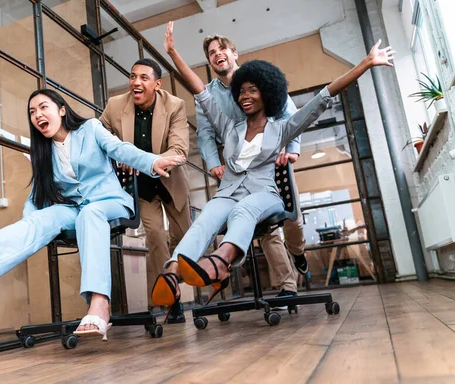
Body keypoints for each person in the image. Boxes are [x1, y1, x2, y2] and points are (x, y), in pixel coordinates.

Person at [152, 21, 394, 306]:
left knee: (247, 212)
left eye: (253, 91)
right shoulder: (230, 127)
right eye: (241, 92)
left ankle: (221, 262)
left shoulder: (282, 129)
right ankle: (172, 272)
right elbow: (200, 92)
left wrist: (365, 64)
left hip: (264, 194)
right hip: (228, 191)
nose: (245, 96)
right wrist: (172, 52)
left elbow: (324, 96)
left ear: (267, 94)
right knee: (204, 220)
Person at [0, 89, 186, 341]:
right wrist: (33, 225)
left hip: (109, 203)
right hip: (76, 209)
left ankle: (99, 303)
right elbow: (36, 198)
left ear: (61, 110)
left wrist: (152, 162)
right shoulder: (43, 152)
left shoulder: (91, 128)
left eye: (43, 107)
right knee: (45, 217)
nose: (37, 114)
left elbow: (121, 149)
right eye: (32, 112)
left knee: (91, 212)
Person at [197, 33, 307, 299]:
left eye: (222, 48)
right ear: (210, 61)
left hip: (273, 158)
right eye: (211, 52)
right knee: (264, 227)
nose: (217, 54)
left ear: (234, 53)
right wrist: (214, 164)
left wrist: (290, 149)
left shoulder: (258, 76)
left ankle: (298, 250)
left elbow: (290, 114)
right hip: (237, 168)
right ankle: (287, 287)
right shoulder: (209, 94)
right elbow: (205, 134)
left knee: (293, 220)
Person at [100, 58, 191, 323]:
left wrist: (150, 162)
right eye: (132, 76)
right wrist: (117, 157)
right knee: (154, 236)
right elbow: (99, 135)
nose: (135, 82)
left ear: (157, 84)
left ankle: (180, 276)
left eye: (143, 78)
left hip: (169, 179)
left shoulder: (175, 106)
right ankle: (169, 299)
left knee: (183, 237)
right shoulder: (115, 106)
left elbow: (180, 150)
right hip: (140, 187)